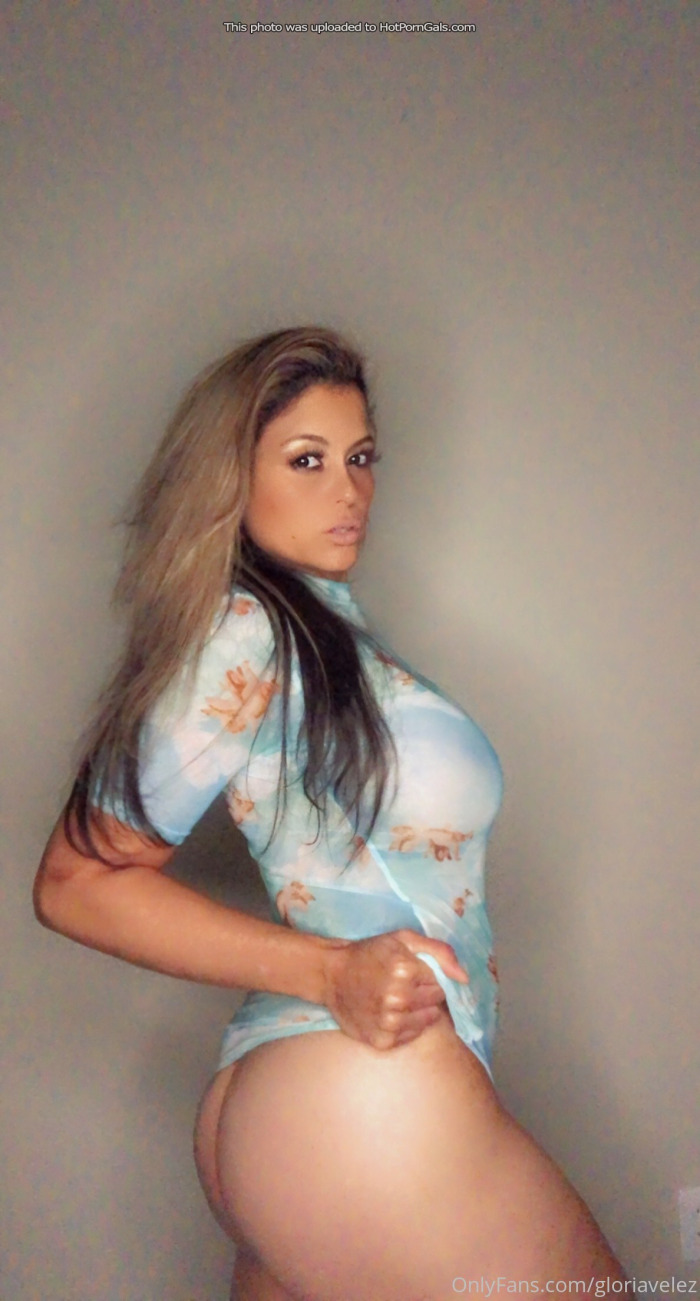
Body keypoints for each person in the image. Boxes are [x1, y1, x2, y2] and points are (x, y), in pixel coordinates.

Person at [34, 326, 631, 1301]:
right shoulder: (246, 632)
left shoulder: (316, 630)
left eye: (361, 457)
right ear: (232, 477)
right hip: (358, 1096)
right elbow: (75, 882)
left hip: (312, 1105)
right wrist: (330, 970)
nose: (348, 489)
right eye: (306, 460)